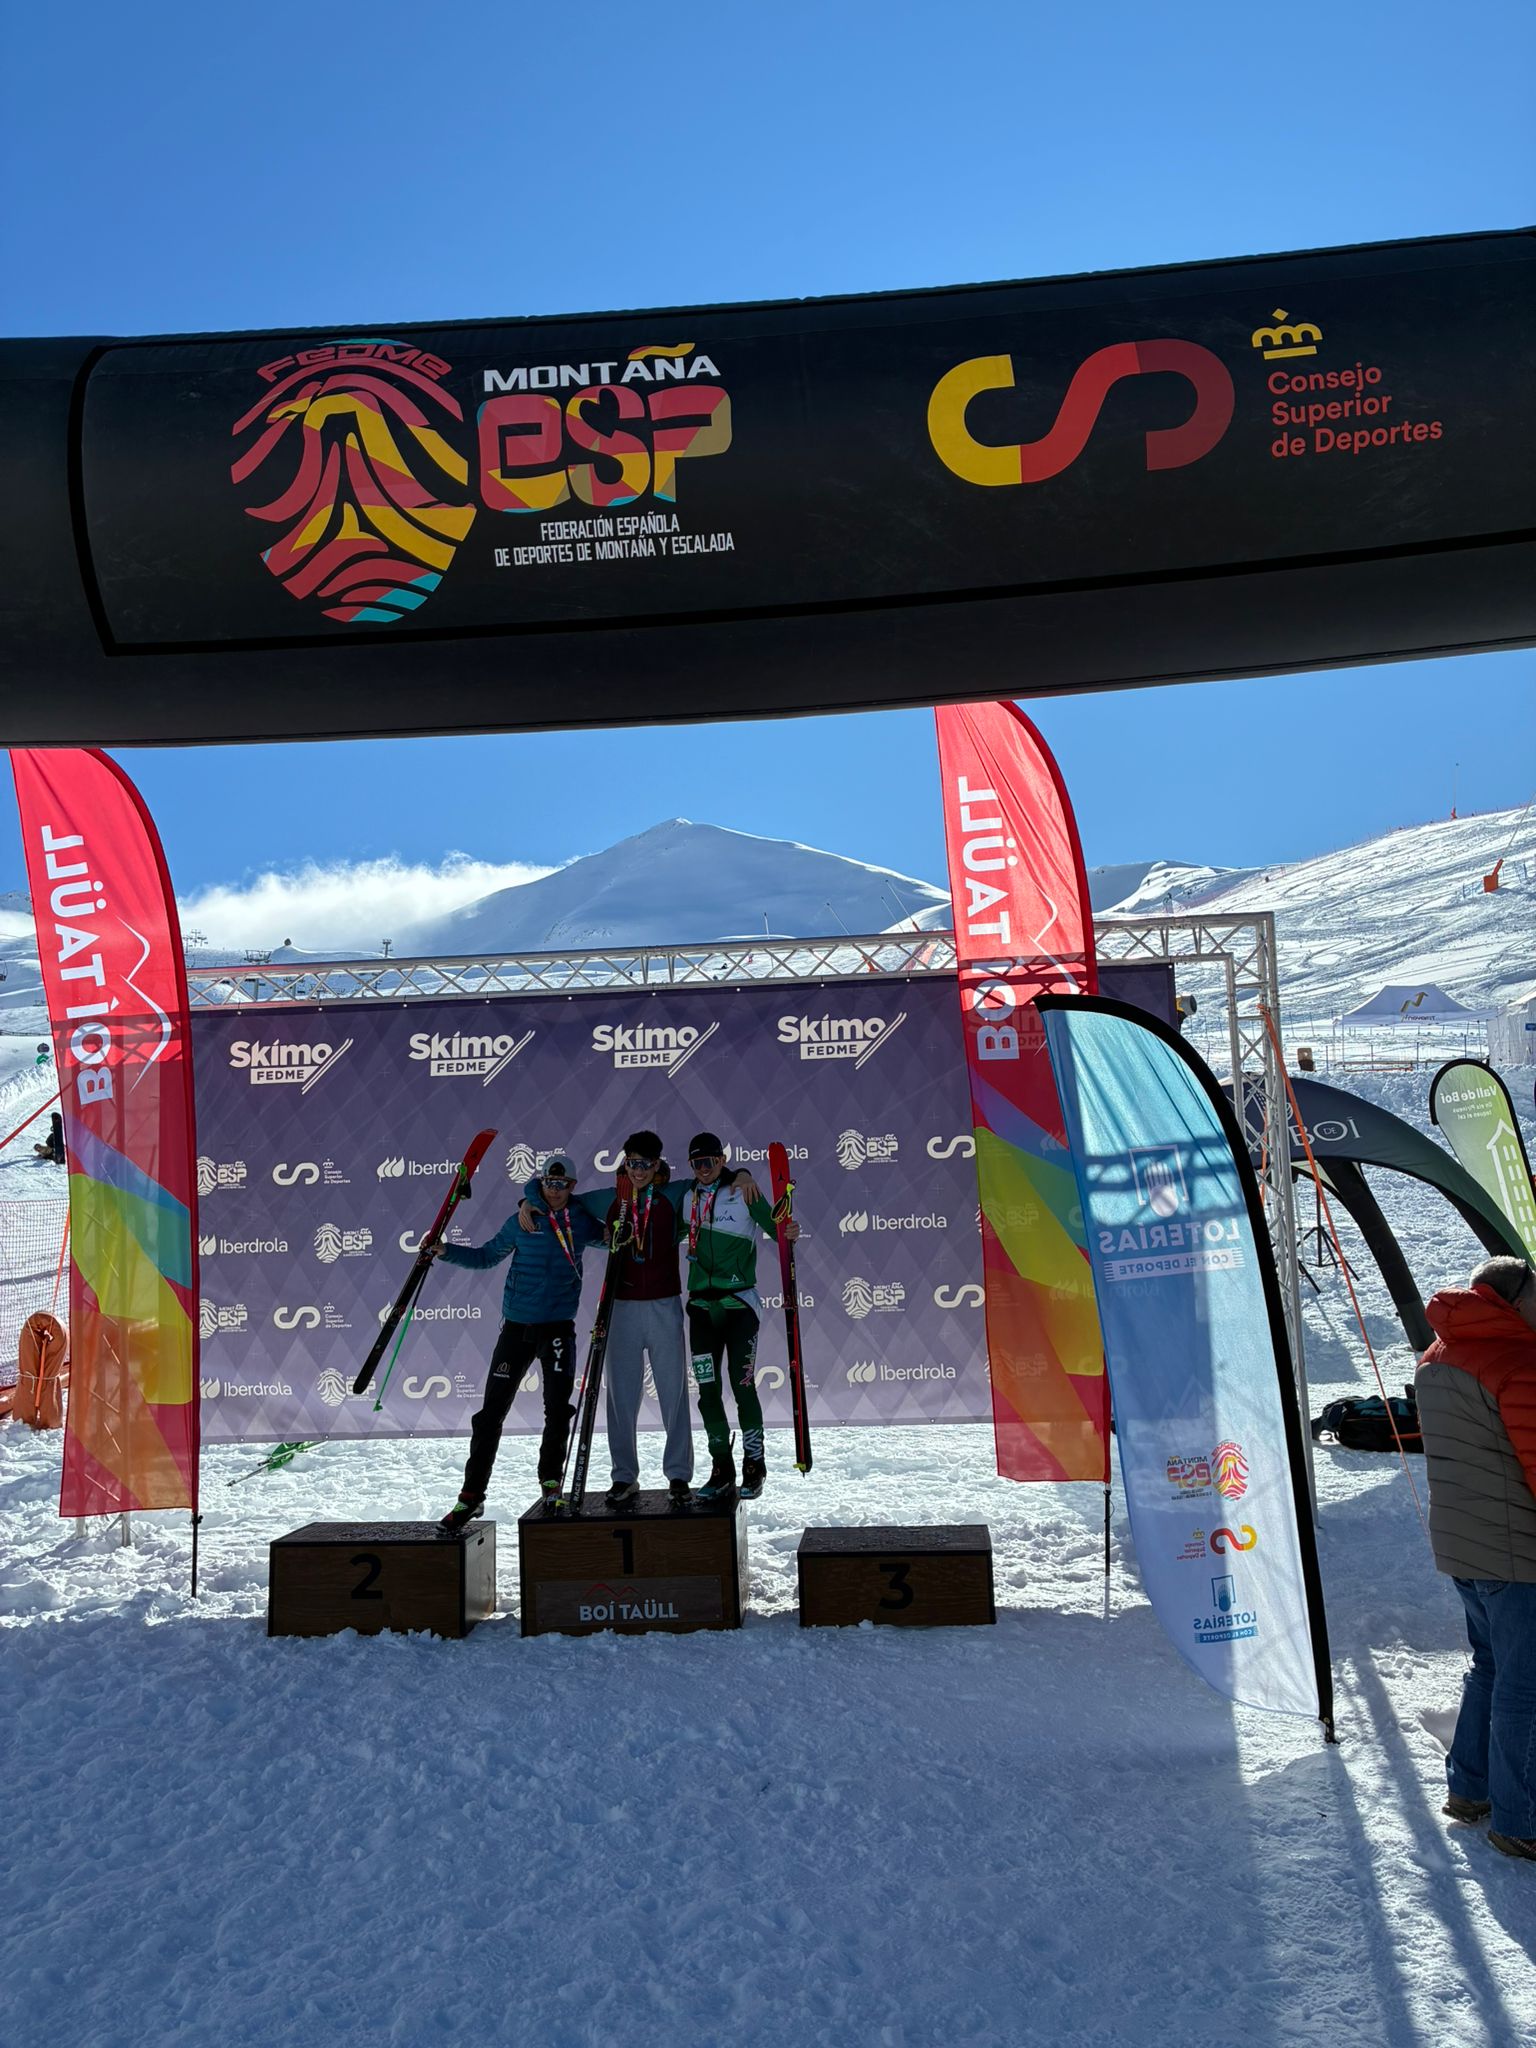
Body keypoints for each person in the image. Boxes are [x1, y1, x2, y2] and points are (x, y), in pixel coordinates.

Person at [518, 1132, 762, 1509]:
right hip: (622, 1307)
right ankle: (624, 1476)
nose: (639, 1171)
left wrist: (742, 1174)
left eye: (646, 1164)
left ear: (657, 1164)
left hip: (665, 1304)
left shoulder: (674, 1193)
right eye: (633, 1163)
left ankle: (678, 1475)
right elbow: (562, 1198)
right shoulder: (611, 1197)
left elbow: (712, 1178)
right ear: (625, 1162)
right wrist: (528, 1200)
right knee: (622, 1396)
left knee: (673, 1393)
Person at [1417, 1254, 1536, 1860]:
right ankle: (1520, 1820)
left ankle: (1470, 1788)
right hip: (1514, 1548)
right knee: (1525, 1682)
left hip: (1461, 1540)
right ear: (1514, 1302)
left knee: (1491, 1664)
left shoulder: (1437, 1355)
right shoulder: (1517, 1361)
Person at [433, 1153, 607, 1531]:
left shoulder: (580, 1220)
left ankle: (551, 1484)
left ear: (572, 1187)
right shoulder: (521, 1220)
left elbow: (614, 1239)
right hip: (516, 1329)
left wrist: (625, 1231)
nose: (555, 1191)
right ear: (541, 1182)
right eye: (549, 1183)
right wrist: (445, 1251)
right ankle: (471, 1497)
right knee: (490, 1414)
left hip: (558, 1329)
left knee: (557, 1410)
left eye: (562, 1185)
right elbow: (485, 1257)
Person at [678, 1130, 797, 1503]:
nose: (704, 1169)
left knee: (742, 1384)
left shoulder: (744, 1191)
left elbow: (778, 1229)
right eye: (697, 1163)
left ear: (722, 1160)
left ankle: (754, 1463)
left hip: (739, 1305)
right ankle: (721, 1467)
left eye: (710, 1161)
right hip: (701, 1308)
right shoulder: (687, 1198)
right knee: (707, 1391)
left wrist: (788, 1231)